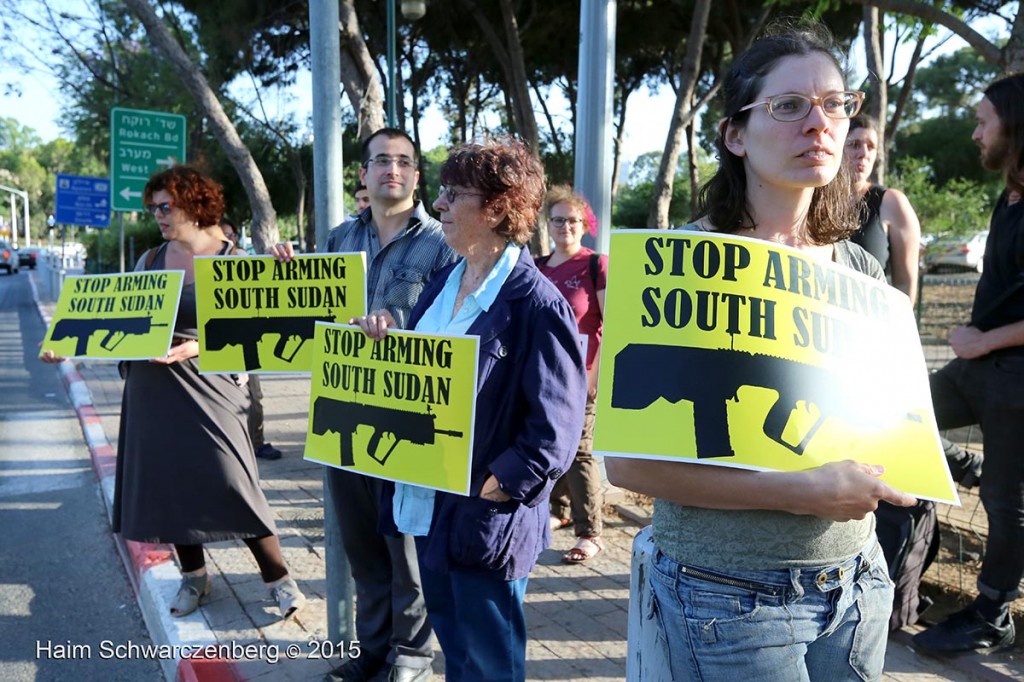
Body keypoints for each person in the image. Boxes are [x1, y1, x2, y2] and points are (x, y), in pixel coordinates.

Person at [606, 22, 919, 680]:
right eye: (789, 105)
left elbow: (885, 430)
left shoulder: (861, 271)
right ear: (735, 135)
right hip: (728, 595)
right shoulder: (679, 266)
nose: (819, 123)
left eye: (835, 103)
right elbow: (630, 465)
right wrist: (802, 492)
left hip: (857, 583)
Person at [354, 137, 587, 682]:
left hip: (485, 523)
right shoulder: (444, 282)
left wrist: (492, 487)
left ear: (498, 207)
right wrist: (382, 340)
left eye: (453, 194)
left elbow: (554, 431)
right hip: (430, 513)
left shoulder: (536, 303)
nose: (438, 205)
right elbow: (423, 377)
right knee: (458, 658)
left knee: (488, 666)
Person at [42, 166, 306, 621]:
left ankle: (279, 581)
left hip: (211, 385)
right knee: (170, 483)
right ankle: (195, 579)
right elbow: (120, 320)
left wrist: (195, 346)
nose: (159, 215)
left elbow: (257, 328)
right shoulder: (149, 260)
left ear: (195, 202)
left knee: (233, 480)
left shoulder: (235, 259)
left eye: (166, 206)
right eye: (154, 208)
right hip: (152, 390)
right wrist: (64, 345)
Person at [272, 128, 456, 682]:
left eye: (403, 162)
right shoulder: (335, 239)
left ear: (417, 176)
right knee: (361, 546)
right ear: (364, 172)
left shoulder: (441, 242)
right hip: (343, 416)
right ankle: (372, 648)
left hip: (405, 419)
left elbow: (453, 324)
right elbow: (307, 315)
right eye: (381, 161)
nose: (391, 170)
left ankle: (412, 656)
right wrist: (281, 277)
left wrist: (396, 328)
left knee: (406, 547)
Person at [911, 73, 1024, 656]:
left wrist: (985, 341)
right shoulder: (1009, 195)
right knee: (902, 415)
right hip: (977, 371)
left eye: (984, 121)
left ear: (1016, 125)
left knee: (1008, 506)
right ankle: (963, 462)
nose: (975, 132)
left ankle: (991, 613)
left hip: (1014, 380)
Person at [535, 186, 607, 563]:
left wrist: (596, 376)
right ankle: (559, 511)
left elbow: (611, 324)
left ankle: (591, 532)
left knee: (579, 453)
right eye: (558, 219)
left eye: (573, 220)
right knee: (548, 444)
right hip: (543, 377)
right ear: (548, 224)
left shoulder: (596, 265)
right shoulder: (537, 265)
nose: (565, 226)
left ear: (586, 226)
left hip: (583, 377)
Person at [220, 218, 282, 461]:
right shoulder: (200, 263)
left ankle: (257, 443)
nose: (228, 240)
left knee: (253, 397)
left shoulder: (244, 257)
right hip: (216, 343)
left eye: (231, 235)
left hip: (246, 342)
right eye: (223, 235)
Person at [845, 114, 923, 305]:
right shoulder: (812, 198)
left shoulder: (891, 202)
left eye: (871, 147)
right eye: (854, 144)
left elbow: (905, 284)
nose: (864, 153)